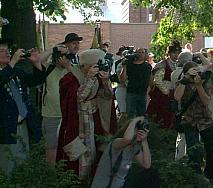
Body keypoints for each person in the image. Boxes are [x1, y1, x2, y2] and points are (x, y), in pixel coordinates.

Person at [85, 116, 159, 188]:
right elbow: (127, 139)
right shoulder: (116, 144)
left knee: (151, 175)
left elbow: (147, 165)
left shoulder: (134, 148)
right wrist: (135, 120)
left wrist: (144, 141)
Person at [57, 48, 115, 180]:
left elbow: (107, 96)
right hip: (77, 122)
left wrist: (105, 82)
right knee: (80, 154)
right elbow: (78, 97)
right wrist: (88, 79)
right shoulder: (69, 78)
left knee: (97, 149)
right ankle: (77, 182)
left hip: (95, 119)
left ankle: (94, 179)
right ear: (85, 65)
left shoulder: (98, 77)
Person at [0, 39, 45, 175]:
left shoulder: (16, 71)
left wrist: (36, 63)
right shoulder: (9, 70)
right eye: (2, 51)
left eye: (8, 50)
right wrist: (13, 62)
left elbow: (35, 80)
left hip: (23, 124)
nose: (7, 53)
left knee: (23, 163)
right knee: (7, 166)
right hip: (5, 128)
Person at [174, 56, 213, 181]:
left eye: (197, 70)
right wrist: (185, 80)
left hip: (205, 119)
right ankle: (196, 178)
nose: (196, 74)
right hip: (189, 120)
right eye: (193, 71)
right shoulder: (182, 81)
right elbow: (177, 97)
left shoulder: (204, 81)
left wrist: (199, 85)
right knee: (193, 152)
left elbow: (206, 101)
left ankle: (211, 175)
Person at [40, 45, 72, 165]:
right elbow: (39, 59)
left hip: (68, 116)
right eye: (61, 56)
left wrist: (68, 65)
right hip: (51, 115)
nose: (63, 59)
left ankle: (65, 174)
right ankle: (52, 174)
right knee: (51, 146)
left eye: (66, 56)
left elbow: (80, 81)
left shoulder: (71, 69)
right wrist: (53, 49)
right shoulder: (49, 68)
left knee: (67, 146)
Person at [147, 41, 181, 129]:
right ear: (169, 53)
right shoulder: (162, 64)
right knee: (161, 116)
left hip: (174, 94)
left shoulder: (178, 64)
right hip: (162, 95)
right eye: (174, 53)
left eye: (178, 53)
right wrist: (167, 92)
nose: (176, 55)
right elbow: (157, 81)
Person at [119, 48, 152, 118]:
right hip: (131, 92)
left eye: (142, 52)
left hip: (142, 93)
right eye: (138, 52)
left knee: (141, 114)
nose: (140, 54)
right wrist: (124, 66)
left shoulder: (148, 66)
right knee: (130, 114)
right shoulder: (129, 65)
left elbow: (150, 80)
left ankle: (141, 128)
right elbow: (122, 79)